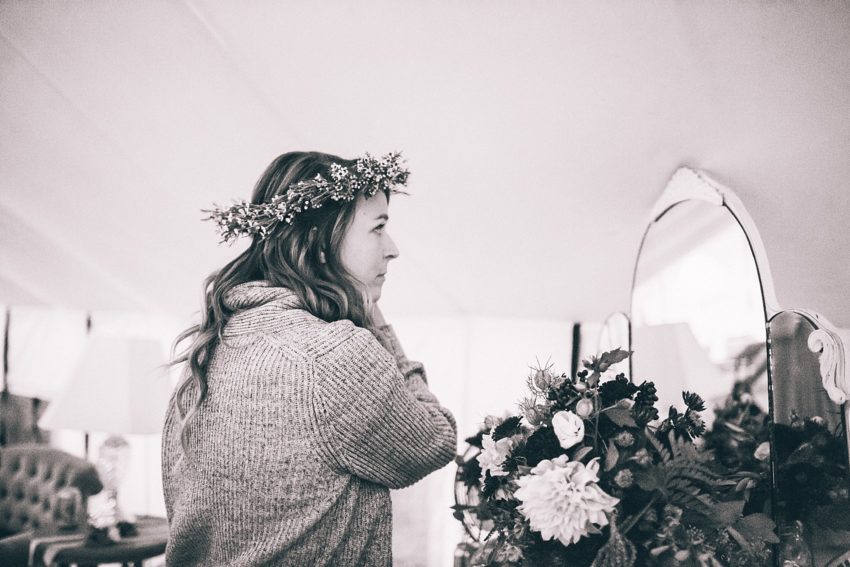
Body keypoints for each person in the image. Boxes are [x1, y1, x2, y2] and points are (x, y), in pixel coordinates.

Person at [161, 151, 457, 566]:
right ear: (321, 243)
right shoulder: (334, 355)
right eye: (378, 228)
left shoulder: (211, 343)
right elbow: (433, 441)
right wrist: (378, 323)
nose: (393, 249)